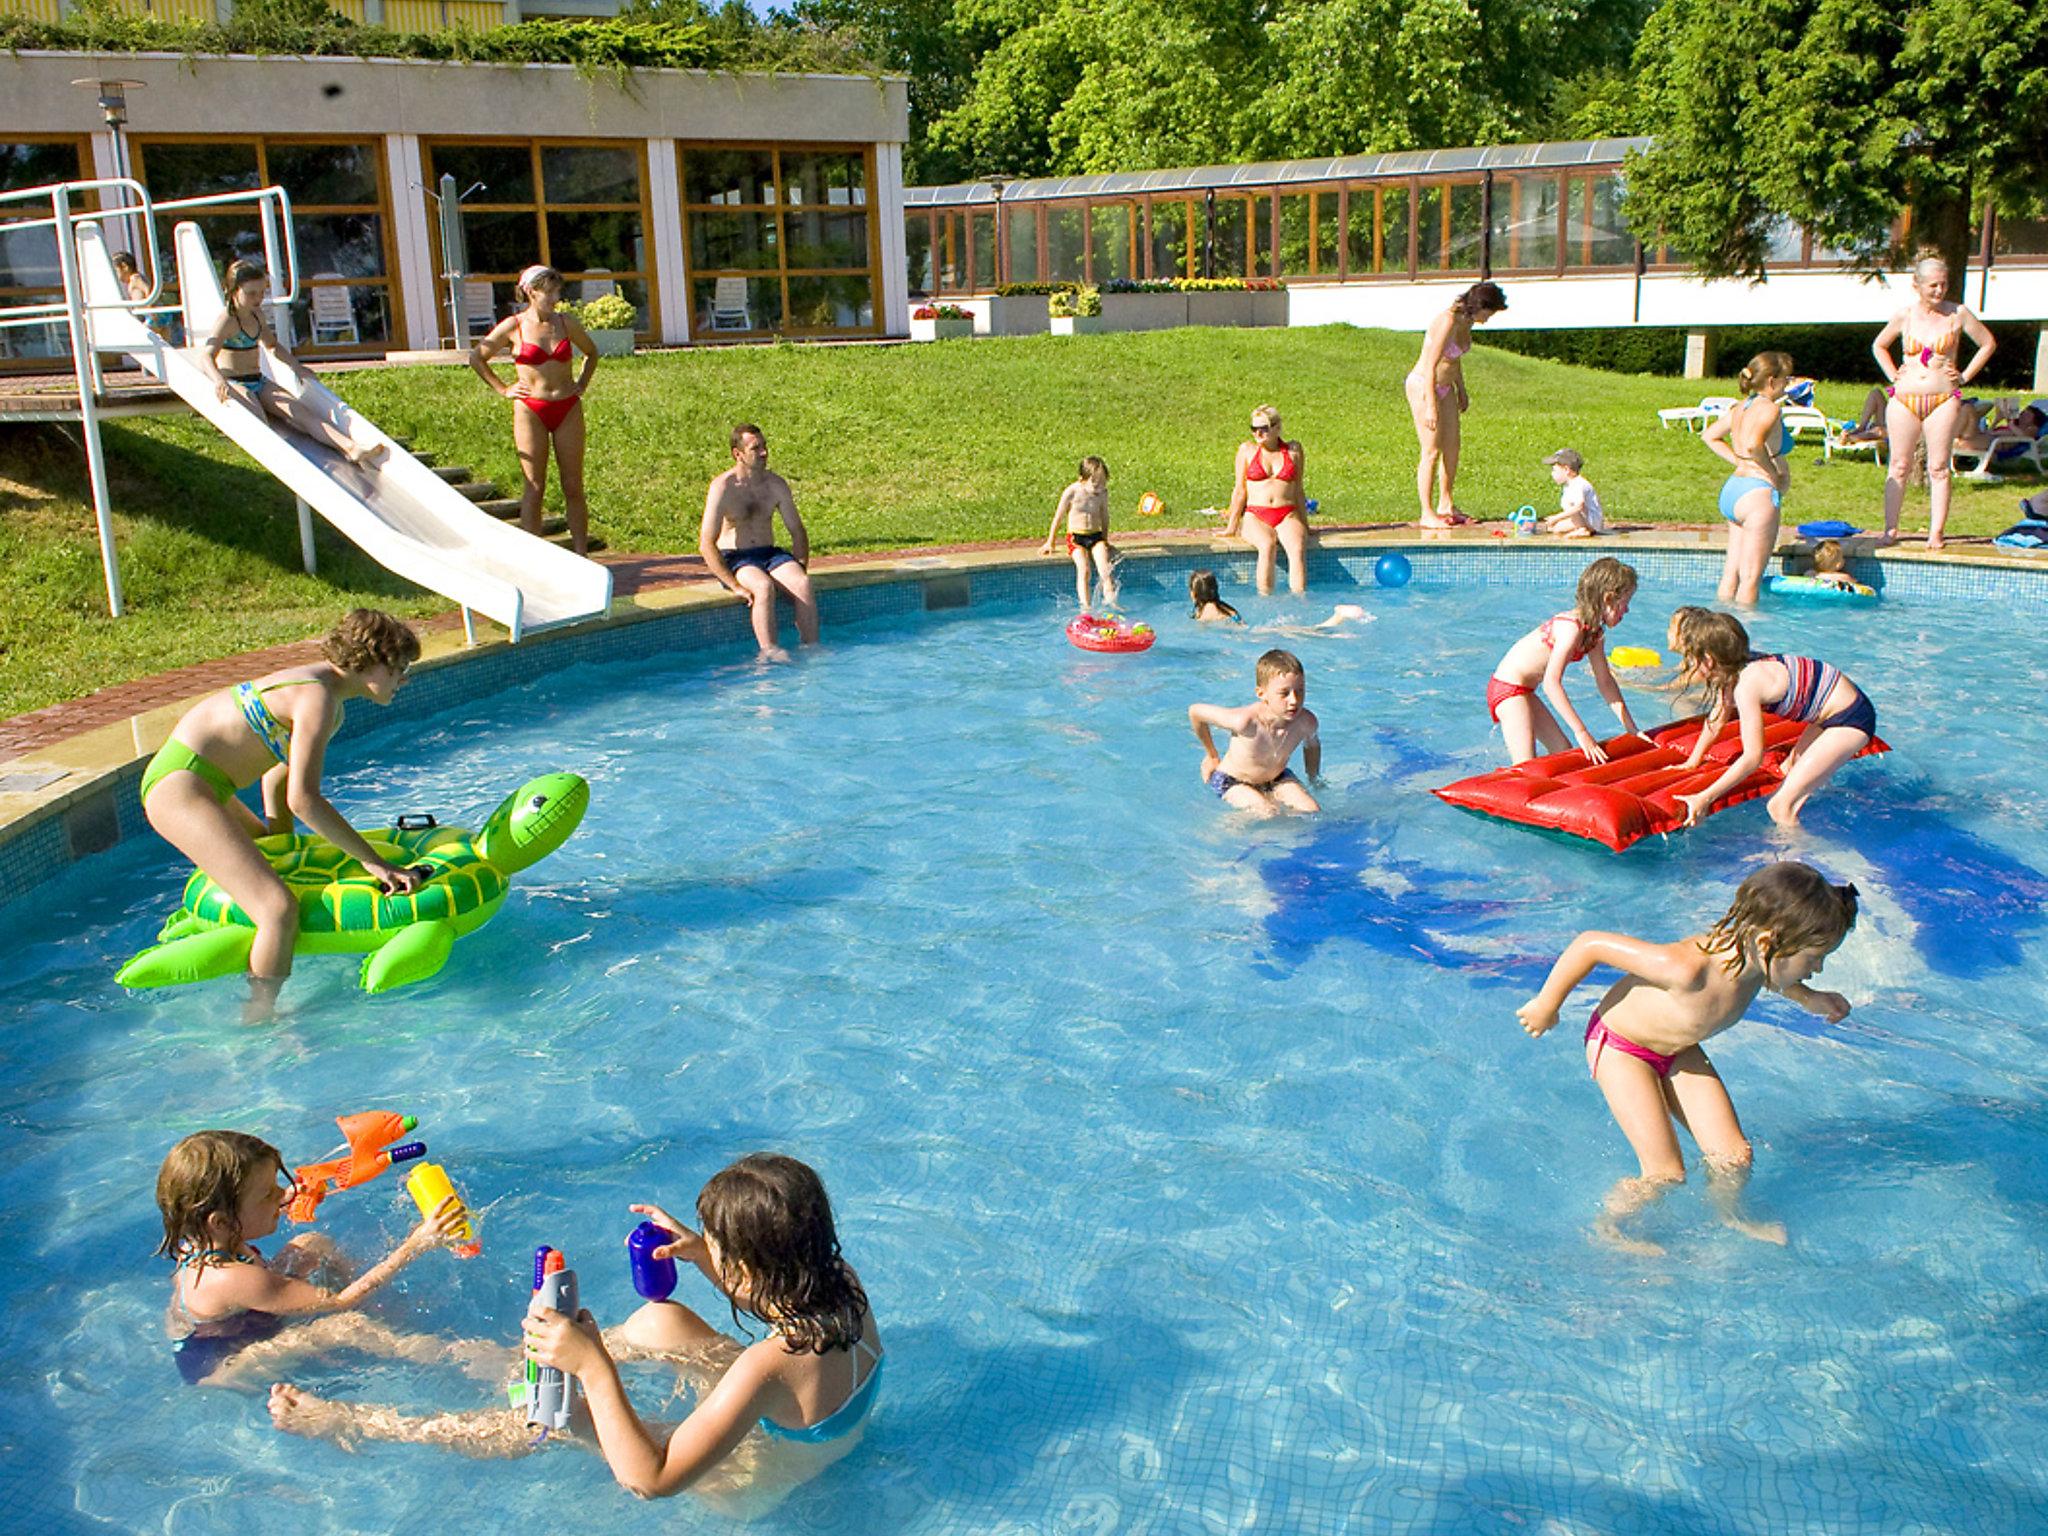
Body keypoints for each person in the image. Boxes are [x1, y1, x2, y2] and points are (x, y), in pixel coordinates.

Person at [270, 1155, 883, 1511]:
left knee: (554, 1410)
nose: (711, 1257)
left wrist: (593, 1366)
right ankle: (515, 1360)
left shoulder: (767, 1367)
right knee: (659, 1319)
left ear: (751, 1267)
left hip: (748, 1481)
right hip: (807, 1432)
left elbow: (652, 1481)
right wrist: (701, 1256)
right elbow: (769, 1294)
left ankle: (356, 1421)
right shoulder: (839, 1284)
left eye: (721, 1250)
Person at [1516, 862, 1857, 1255]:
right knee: (1666, 1173)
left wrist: (1810, 998)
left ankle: (1730, 1214)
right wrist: (1546, 1005)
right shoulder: (1685, 967)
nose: (1819, 968)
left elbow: (1773, 977)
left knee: (1733, 1157)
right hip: (1622, 1048)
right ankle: (1610, 1226)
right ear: (1768, 943)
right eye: (1814, 958)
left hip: (1676, 1049)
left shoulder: (1754, 961)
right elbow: (1591, 944)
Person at [137, 609, 427, 1021]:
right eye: (399, 668)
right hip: (181, 789)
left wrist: (283, 844)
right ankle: (258, 1019)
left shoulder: (325, 696)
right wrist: (374, 862)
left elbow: (276, 777)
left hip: (199, 783)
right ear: (369, 660)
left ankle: (253, 974)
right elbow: (303, 799)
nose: (404, 679)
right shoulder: (319, 699)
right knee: (278, 909)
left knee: (269, 869)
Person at [159, 1129, 476, 1386]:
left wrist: (304, 1193)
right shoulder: (230, 1277)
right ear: (221, 1221)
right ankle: (459, 1358)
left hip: (239, 1321)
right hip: (223, 1365)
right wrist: (415, 1244)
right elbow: (340, 1303)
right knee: (346, 1325)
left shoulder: (205, 1238)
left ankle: (384, 1309)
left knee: (312, 1244)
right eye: (269, 1193)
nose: (285, 1194)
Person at [1669, 608, 1877, 828]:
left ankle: (1802, 857)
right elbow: (1717, 718)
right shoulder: (1737, 664)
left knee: (1779, 807)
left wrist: (1705, 797)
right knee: (1787, 771)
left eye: (1692, 659)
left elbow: (1752, 758)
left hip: (1851, 719)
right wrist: (1692, 761)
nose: (1691, 666)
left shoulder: (1748, 685)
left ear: (1708, 660)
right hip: (1830, 713)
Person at [199, 259, 384, 467]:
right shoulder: (227, 320)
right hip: (235, 382)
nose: (258, 298)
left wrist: (296, 367)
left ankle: (350, 448)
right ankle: (285, 460)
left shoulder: (257, 315)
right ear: (233, 291)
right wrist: (218, 381)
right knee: (256, 416)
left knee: (301, 413)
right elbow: (206, 356)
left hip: (258, 380)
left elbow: (272, 346)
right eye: (251, 293)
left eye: (261, 292)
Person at [470, 264, 598, 556]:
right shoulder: (513, 326)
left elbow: (591, 353)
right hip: (530, 408)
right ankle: (534, 557)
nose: (556, 298)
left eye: (557, 292)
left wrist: (582, 383)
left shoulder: (566, 323)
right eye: (550, 292)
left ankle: (581, 554)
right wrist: (503, 389)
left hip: (567, 406)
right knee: (534, 485)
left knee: (573, 483)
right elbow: (477, 357)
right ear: (531, 291)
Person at [1872, 254, 1997, 549]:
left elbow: (1988, 343)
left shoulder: (1957, 314)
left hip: (1943, 399)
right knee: (1899, 466)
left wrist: (1964, 376)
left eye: (1943, 285)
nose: (1939, 291)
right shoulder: (1905, 315)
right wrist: (1892, 372)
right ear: (1917, 285)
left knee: (1939, 467)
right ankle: (1890, 529)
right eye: (1933, 286)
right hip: (1904, 399)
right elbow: (1879, 345)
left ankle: (1936, 532)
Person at [1487, 557, 1641, 765]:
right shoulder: (1571, 628)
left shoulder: (1594, 636)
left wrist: (1632, 729)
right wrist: (1582, 732)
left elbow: (1605, 682)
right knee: (1526, 763)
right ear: (1608, 599)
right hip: (1507, 688)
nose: (1627, 611)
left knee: (1562, 751)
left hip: (1525, 690)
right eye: (1625, 603)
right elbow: (1551, 683)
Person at [700, 423, 821, 661]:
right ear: (738, 454)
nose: (765, 452)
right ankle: (770, 651)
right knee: (763, 588)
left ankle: (812, 648)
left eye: (765, 446)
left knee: (802, 583)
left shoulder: (776, 485)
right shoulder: (723, 487)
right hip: (736, 557)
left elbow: (797, 531)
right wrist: (734, 586)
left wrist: (799, 567)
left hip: (769, 554)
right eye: (756, 448)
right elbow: (706, 544)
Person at [1405, 281, 1508, 529]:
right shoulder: (1447, 321)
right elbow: (1431, 365)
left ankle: (1446, 504)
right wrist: (1430, 403)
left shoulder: (1467, 321)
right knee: (1431, 450)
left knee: (1453, 446)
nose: (1489, 318)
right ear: (1480, 306)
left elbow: (1454, 358)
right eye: (1489, 313)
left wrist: (1461, 389)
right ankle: (1426, 512)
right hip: (1423, 386)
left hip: (1446, 388)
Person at [1702, 351, 1793, 606]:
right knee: (1751, 577)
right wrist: (1771, 472)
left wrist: (1738, 460)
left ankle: (1719, 628)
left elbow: (1710, 436)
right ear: (1772, 381)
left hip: (1734, 489)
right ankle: (1746, 635)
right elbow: (1754, 445)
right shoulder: (1770, 409)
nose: (1786, 385)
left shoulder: (1739, 407)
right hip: (1757, 494)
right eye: (1785, 380)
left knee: (1731, 573)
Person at [1188, 648, 1322, 815]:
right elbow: (1195, 712)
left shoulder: (1306, 722)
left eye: (1300, 691)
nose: (1294, 700)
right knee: (1267, 811)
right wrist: (1212, 755)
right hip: (1233, 781)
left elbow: (1312, 745)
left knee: (1312, 810)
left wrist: (1313, 778)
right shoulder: (1244, 722)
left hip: (1276, 777)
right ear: (1261, 693)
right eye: (1284, 693)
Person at [1223, 405, 1311, 596]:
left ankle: (1301, 603)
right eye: (1254, 428)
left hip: (1287, 514)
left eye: (1263, 427)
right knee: (1267, 545)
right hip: (1256, 515)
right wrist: (1231, 526)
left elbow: (1298, 490)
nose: (1258, 432)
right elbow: (1240, 490)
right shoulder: (1247, 451)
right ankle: (1265, 600)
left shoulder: (1294, 451)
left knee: (1297, 549)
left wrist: (1305, 524)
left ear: (1277, 427)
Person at [1042, 457, 1117, 610]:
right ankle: (1086, 608)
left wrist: (1105, 539)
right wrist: (1051, 541)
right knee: (1084, 570)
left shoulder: (1102, 493)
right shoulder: (1072, 492)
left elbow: (1104, 516)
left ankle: (1112, 604)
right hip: (1076, 538)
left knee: (1105, 570)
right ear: (1082, 479)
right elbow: (1058, 517)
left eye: (1103, 483)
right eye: (1095, 483)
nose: (1100, 487)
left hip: (1096, 537)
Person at [1541, 448, 1605, 537]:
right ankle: (1580, 527)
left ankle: (1582, 529)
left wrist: (1556, 517)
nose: (1552, 474)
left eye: (1554, 470)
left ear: (1566, 470)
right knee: (1554, 528)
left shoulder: (1578, 484)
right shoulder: (1568, 485)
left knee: (1570, 508)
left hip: (1592, 521)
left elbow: (1579, 506)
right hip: (1585, 519)